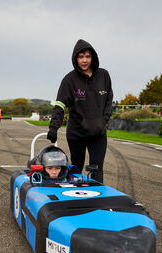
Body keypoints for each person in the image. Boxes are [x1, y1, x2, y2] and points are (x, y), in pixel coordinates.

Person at [47, 39, 113, 183]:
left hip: (98, 133)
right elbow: (60, 105)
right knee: (76, 169)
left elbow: (109, 101)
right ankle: (74, 199)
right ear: (75, 58)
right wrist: (53, 128)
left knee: (97, 169)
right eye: (81, 56)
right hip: (77, 133)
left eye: (87, 56)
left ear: (93, 57)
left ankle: (97, 201)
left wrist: (103, 122)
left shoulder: (104, 76)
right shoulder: (69, 80)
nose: (84, 60)